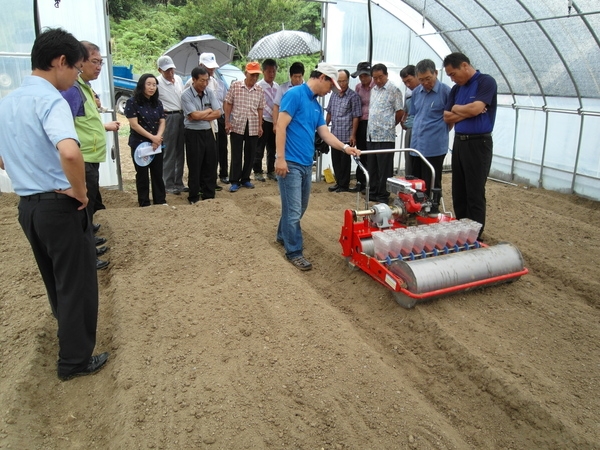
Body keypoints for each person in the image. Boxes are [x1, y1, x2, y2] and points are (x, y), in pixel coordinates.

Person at [0, 28, 109, 381]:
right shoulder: (51, 101)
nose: (78, 74)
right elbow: (69, 151)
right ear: (59, 62)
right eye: (77, 68)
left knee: (55, 279)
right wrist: (80, 192)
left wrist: (22, 169)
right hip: (59, 206)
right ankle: (74, 361)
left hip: (28, 207)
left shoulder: (8, 101)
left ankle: (68, 335)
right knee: (76, 282)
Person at [275, 63, 361, 271]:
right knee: (294, 210)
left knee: (299, 207)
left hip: (306, 164)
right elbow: (280, 126)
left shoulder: (315, 105)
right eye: (330, 86)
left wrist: (344, 147)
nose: (330, 91)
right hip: (291, 163)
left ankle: (282, 235)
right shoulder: (295, 95)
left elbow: (324, 133)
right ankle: (294, 251)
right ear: (322, 77)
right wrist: (280, 158)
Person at [61, 40, 120, 270]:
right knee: (81, 209)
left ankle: (88, 241)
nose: (99, 67)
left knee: (89, 207)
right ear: (80, 62)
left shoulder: (84, 88)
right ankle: (86, 255)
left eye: (101, 62)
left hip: (90, 158)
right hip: (81, 159)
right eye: (94, 62)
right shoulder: (74, 91)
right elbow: (65, 126)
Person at [443, 52, 497, 239]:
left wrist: (460, 109)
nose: (452, 78)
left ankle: (475, 233)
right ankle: (461, 227)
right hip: (460, 141)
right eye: (449, 75)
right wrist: (467, 111)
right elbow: (447, 116)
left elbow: (474, 108)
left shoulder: (485, 82)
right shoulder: (456, 90)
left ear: (464, 65)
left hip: (478, 142)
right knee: (459, 189)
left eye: (453, 73)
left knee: (474, 189)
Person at [408, 59, 451, 198]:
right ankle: (416, 208)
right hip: (416, 145)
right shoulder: (416, 92)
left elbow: (450, 119)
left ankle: (433, 209)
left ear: (436, 73)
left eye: (428, 78)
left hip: (434, 146)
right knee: (416, 182)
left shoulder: (445, 92)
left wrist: (439, 132)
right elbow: (415, 115)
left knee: (432, 181)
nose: (425, 83)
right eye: (421, 80)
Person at [124, 74, 167, 207]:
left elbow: (162, 121)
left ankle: (160, 200)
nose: (151, 87)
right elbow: (134, 124)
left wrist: (158, 137)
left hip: (156, 144)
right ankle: (144, 202)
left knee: (157, 173)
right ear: (142, 85)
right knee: (142, 173)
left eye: (154, 85)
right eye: (148, 84)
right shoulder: (132, 102)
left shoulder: (157, 103)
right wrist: (152, 137)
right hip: (139, 143)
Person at [181, 66, 222, 204]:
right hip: (193, 133)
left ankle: (208, 195)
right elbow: (193, 115)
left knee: (210, 163)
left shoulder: (209, 92)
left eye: (207, 80)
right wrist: (208, 111)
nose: (205, 83)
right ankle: (193, 196)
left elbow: (218, 112)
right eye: (202, 80)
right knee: (195, 164)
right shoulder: (186, 95)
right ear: (193, 80)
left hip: (208, 131)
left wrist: (201, 115)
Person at [223, 61, 265, 192]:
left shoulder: (259, 89)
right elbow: (228, 103)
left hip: (252, 124)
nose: (254, 78)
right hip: (237, 123)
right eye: (252, 75)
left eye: (256, 75)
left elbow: (260, 108)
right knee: (236, 153)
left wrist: (260, 125)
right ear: (246, 73)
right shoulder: (236, 86)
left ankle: (246, 178)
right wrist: (227, 121)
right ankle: (235, 180)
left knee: (250, 153)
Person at [367, 63, 404, 204]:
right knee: (373, 167)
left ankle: (384, 194)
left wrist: (389, 125)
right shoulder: (373, 90)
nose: (377, 80)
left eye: (380, 77)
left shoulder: (394, 90)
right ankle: (374, 191)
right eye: (375, 78)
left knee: (384, 168)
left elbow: (399, 111)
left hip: (385, 136)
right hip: (371, 135)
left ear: (386, 75)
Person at [325, 69, 361, 192]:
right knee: (335, 159)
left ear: (348, 81)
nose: (341, 84)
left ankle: (344, 184)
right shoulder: (334, 94)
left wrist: (353, 134)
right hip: (334, 133)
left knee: (344, 161)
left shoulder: (353, 96)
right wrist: (325, 126)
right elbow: (329, 112)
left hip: (346, 134)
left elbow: (356, 116)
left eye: (344, 81)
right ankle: (338, 182)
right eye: (339, 81)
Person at [156, 55, 186, 196]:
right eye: (167, 70)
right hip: (169, 117)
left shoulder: (179, 79)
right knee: (169, 151)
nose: (170, 73)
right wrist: (160, 113)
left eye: (172, 69)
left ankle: (178, 182)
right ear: (160, 70)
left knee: (180, 151)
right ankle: (168, 183)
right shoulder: (156, 83)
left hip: (181, 115)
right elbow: (153, 101)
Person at [199, 52, 229, 186]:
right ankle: (206, 179)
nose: (211, 70)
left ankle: (221, 175)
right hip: (203, 121)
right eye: (208, 67)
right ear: (201, 65)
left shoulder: (218, 83)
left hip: (218, 118)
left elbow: (223, 101)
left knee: (220, 148)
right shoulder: (191, 83)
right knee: (206, 152)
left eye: (213, 67)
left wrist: (224, 117)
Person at [351, 61, 375, 193]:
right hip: (361, 123)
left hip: (373, 123)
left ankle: (371, 182)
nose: (363, 79)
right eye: (360, 76)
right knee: (360, 151)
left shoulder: (376, 86)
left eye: (365, 76)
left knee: (370, 152)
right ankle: (360, 180)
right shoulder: (358, 87)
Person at [253, 58, 279, 182]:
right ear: (263, 72)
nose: (271, 74)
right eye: (269, 71)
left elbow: (278, 104)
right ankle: (257, 171)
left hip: (274, 121)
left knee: (272, 147)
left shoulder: (277, 87)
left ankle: (271, 170)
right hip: (263, 120)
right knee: (259, 147)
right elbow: (256, 104)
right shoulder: (258, 86)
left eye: (273, 71)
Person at [272, 61, 305, 131]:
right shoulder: (282, 88)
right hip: (285, 124)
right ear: (290, 76)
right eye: (295, 77)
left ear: (303, 76)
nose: (297, 79)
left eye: (300, 77)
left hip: (302, 124)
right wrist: (275, 124)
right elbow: (276, 106)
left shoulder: (307, 89)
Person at [400, 64, 420, 176]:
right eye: (404, 82)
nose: (408, 84)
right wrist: (404, 119)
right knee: (409, 158)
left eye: (409, 80)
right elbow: (406, 111)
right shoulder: (408, 94)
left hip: (421, 130)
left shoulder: (424, 92)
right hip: (410, 129)